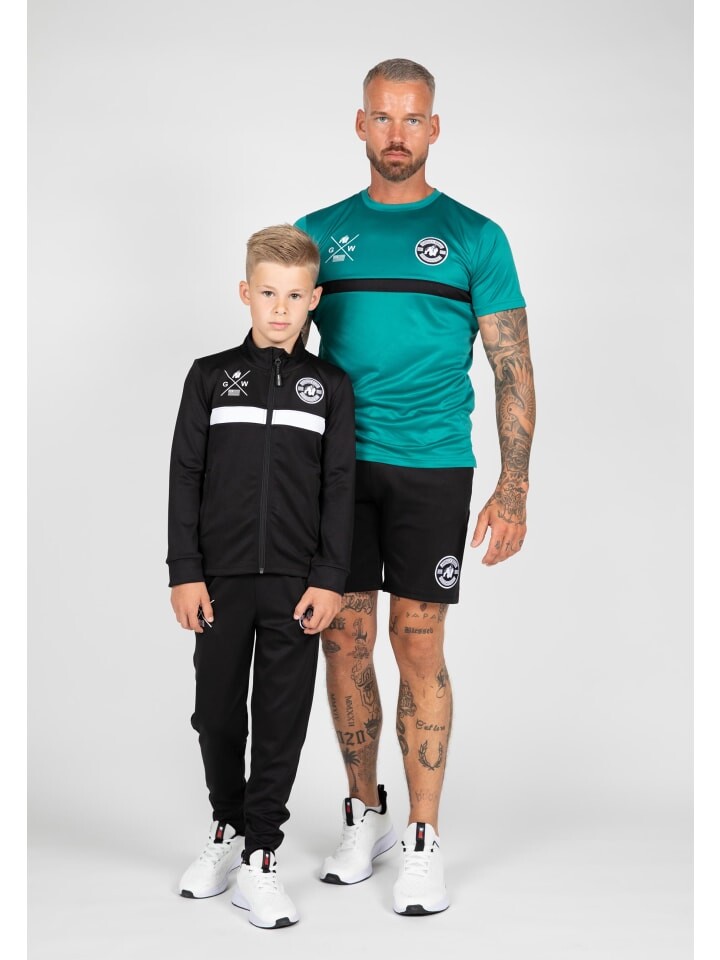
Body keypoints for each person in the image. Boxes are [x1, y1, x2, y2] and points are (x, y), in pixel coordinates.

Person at [295, 58, 536, 916]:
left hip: (432, 465)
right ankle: (366, 815)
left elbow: (512, 366)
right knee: (343, 639)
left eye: (412, 119)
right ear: (360, 124)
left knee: (418, 642)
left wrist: (513, 486)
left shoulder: (475, 236)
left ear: (434, 128)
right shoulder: (319, 233)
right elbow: (280, 346)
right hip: (336, 470)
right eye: (382, 117)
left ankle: (425, 837)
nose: (396, 134)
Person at [166, 224, 355, 929]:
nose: (281, 308)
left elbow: (339, 486)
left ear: (315, 300)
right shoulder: (210, 377)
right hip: (219, 581)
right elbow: (186, 475)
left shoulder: (329, 387)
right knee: (217, 711)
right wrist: (186, 571)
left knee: (280, 717)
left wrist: (329, 577)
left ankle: (263, 853)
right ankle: (228, 825)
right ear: (245, 292)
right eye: (269, 293)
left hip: (297, 586)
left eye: (295, 296)